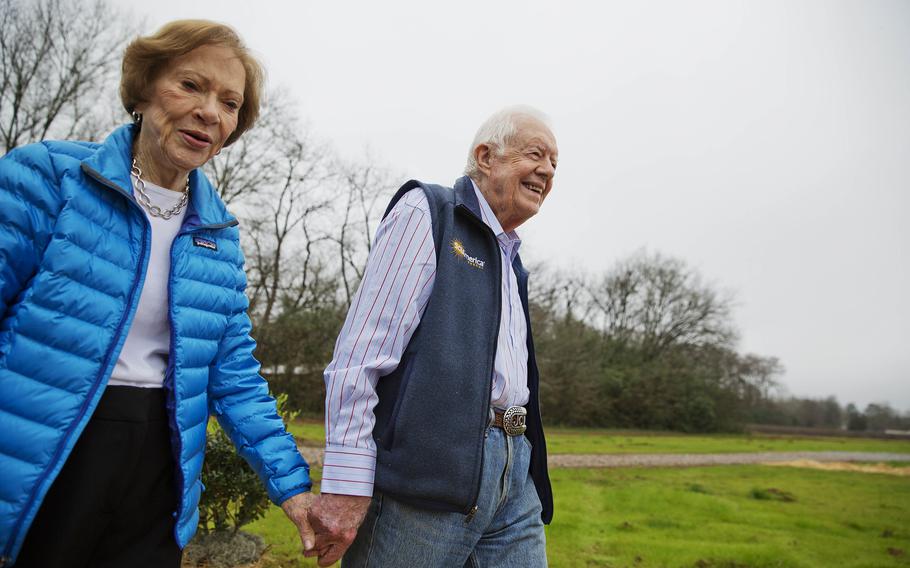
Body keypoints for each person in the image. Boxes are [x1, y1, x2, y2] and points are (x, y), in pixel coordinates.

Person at [0, 20, 316, 567]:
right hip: (46, 450)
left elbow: (234, 377)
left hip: (158, 467)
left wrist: (293, 490)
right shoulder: (48, 176)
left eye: (229, 102)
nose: (209, 112)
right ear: (144, 89)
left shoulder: (219, 235)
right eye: (190, 85)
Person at [306, 106, 558, 567]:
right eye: (536, 154)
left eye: (554, 164)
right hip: (424, 482)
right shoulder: (429, 212)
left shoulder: (512, 260)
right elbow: (359, 358)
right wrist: (346, 485)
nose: (547, 170)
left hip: (513, 477)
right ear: (485, 156)